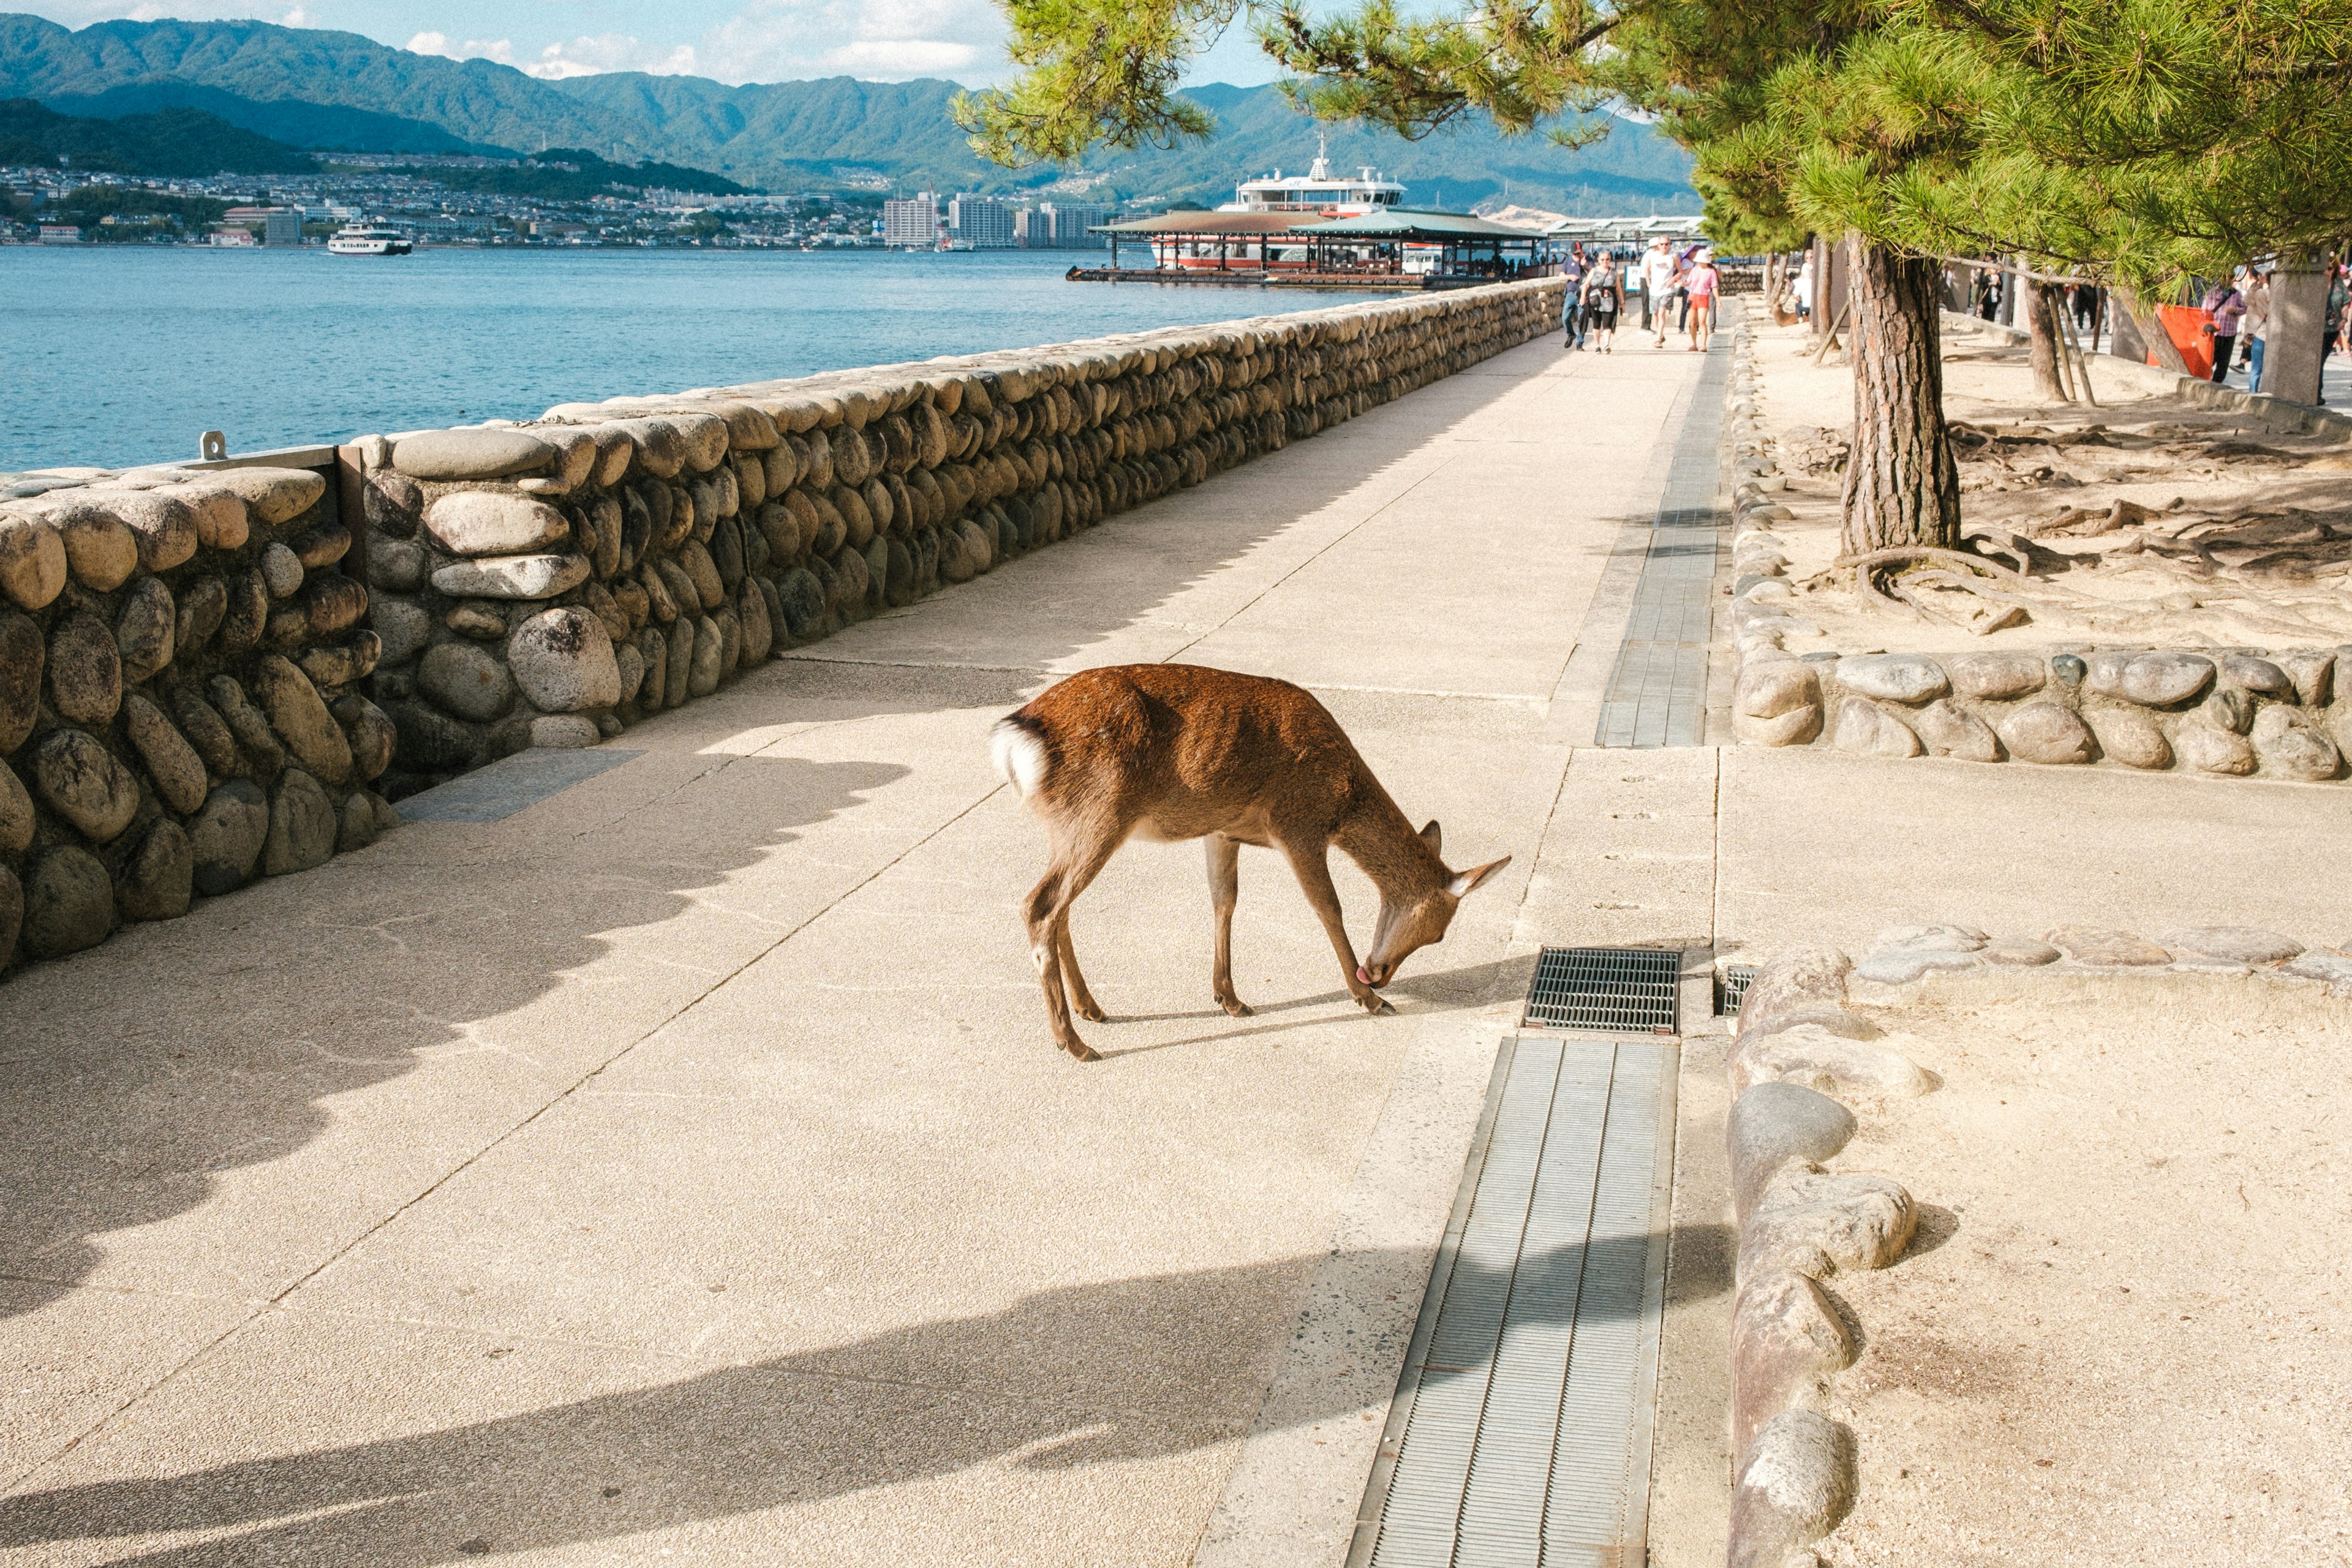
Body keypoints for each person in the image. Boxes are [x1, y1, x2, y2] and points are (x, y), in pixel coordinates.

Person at [2203, 272, 2246, 384]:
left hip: (2229, 333)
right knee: (2210, 360)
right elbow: (2204, 311)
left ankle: (2217, 384)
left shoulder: (2236, 294)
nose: (2227, 281)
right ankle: (2206, 380)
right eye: (2225, 278)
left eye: (2230, 278)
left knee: (2223, 363)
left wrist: (2236, 310)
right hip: (2214, 333)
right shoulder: (2211, 293)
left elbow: (2244, 308)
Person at [1582, 251, 1625, 353]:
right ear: (1598, 260)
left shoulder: (1614, 273)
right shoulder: (1594, 271)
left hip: (1609, 301)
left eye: (1607, 259)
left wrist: (1622, 301)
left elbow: (1618, 288)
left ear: (1610, 260)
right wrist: (1583, 296)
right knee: (1596, 324)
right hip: (1595, 301)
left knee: (1607, 324)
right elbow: (1587, 284)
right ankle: (1597, 345)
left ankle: (1606, 345)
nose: (1605, 262)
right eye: (1602, 260)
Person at [2241, 268, 2271, 392]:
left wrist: (2258, 285)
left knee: (2256, 367)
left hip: (2261, 333)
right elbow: (2246, 301)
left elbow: (2246, 300)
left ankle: (2253, 392)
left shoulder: (2261, 292)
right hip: (2263, 332)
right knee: (2260, 367)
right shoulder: (2264, 293)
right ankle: (2255, 391)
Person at [1643, 238, 1678, 344]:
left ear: (1670, 245)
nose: (1664, 246)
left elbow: (1680, 271)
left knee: (1662, 313)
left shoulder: (1674, 256)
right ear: (1658, 245)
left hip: (1667, 290)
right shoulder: (1653, 255)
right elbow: (1647, 268)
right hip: (1654, 290)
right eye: (1662, 244)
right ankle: (1661, 334)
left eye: (1666, 244)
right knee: (1655, 314)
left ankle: (1658, 339)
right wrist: (1648, 282)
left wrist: (1673, 279)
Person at [1685, 249, 1721, 351]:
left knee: (1702, 321)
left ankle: (1704, 344)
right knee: (1692, 322)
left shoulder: (1711, 272)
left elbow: (1714, 287)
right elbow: (1689, 282)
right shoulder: (1695, 270)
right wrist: (1683, 283)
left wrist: (1718, 301)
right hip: (1692, 296)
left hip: (1703, 297)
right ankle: (1694, 344)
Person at [1560, 246, 1587, 349]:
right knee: (1565, 318)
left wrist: (1585, 266)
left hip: (1582, 294)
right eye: (1576, 254)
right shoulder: (1568, 262)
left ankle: (1580, 343)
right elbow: (1561, 276)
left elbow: (1592, 273)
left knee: (1582, 320)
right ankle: (1571, 334)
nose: (1578, 255)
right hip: (1570, 294)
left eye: (1580, 253)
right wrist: (1570, 277)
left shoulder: (1587, 261)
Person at [1792, 251, 1814, 323]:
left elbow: (1796, 295)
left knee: (1798, 306)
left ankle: (1800, 318)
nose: (1809, 259)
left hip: (1807, 306)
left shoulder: (1803, 281)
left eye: (1811, 257)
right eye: (1807, 258)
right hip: (1812, 305)